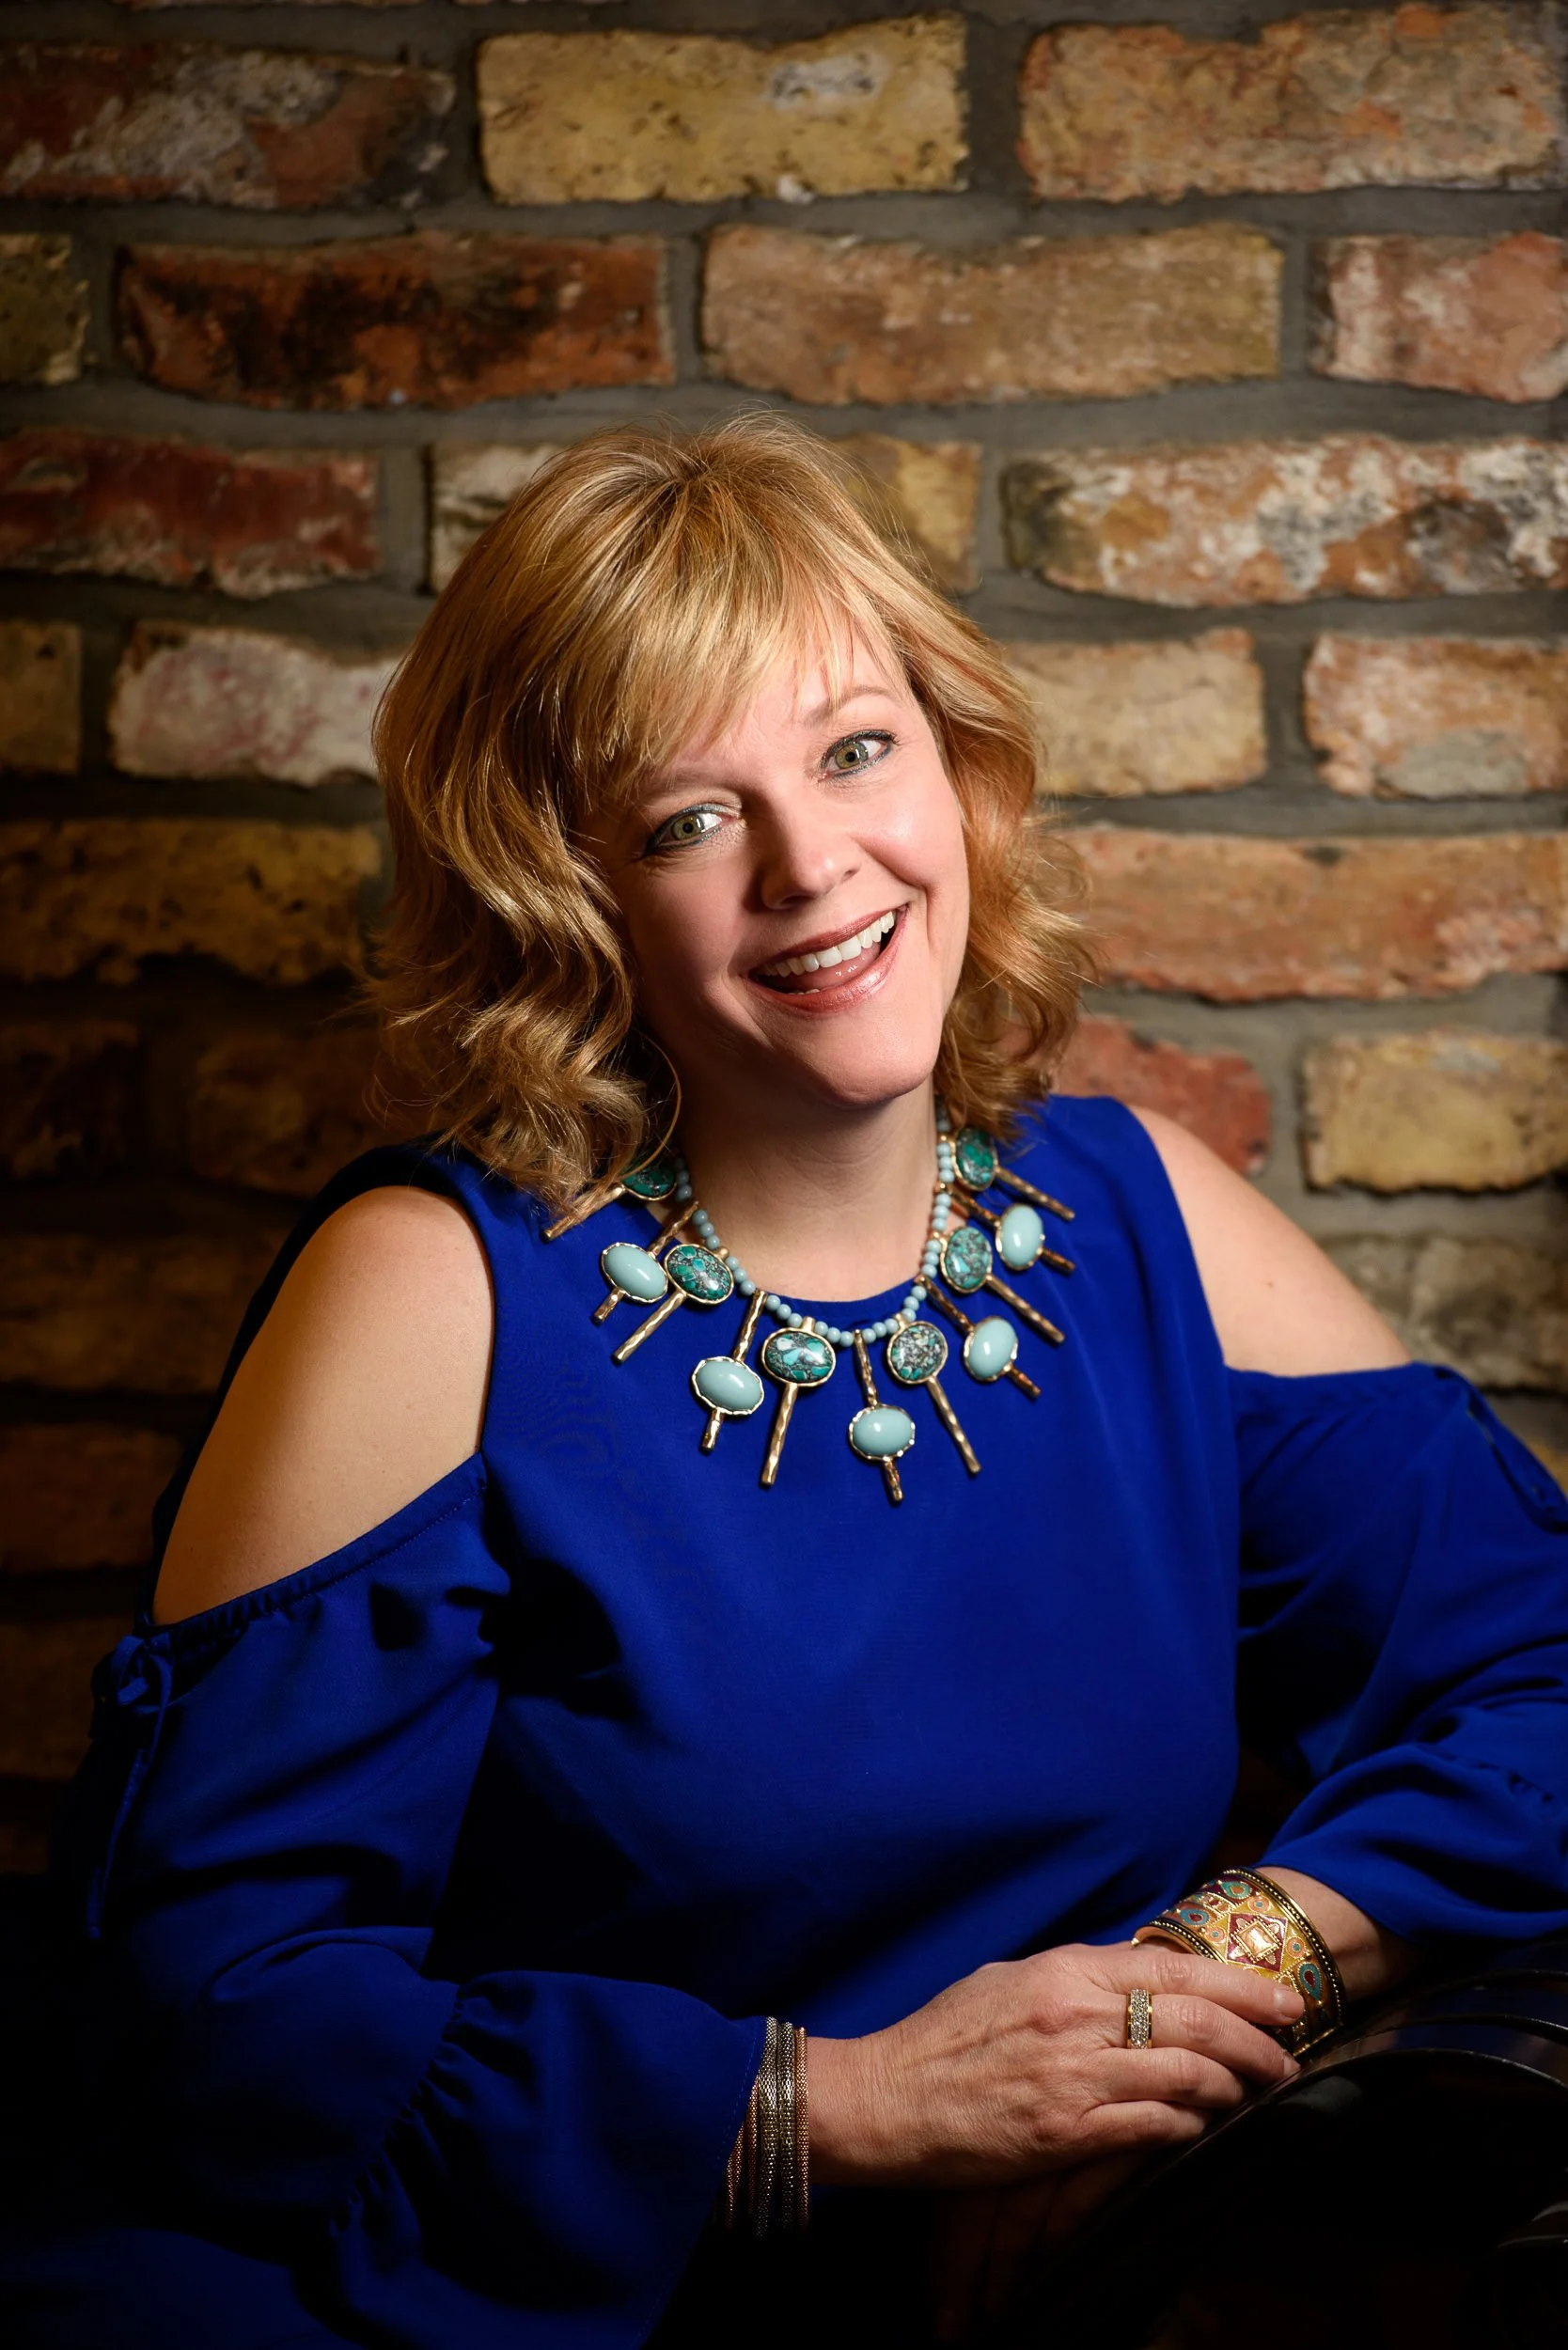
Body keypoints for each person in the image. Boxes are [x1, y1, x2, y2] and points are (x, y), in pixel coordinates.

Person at [4, 415, 1566, 2350]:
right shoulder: (435, 1287)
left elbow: (1549, 1660)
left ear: (957, 766)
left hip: (1059, 2271)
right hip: (512, 2293)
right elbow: (204, 1997)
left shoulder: (1139, 1207)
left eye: (853, 748)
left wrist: (1192, 2000)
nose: (815, 865)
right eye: (689, 816)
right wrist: (841, 2112)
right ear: (568, 893)